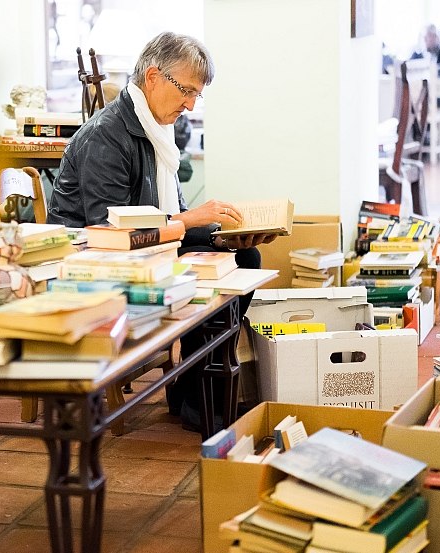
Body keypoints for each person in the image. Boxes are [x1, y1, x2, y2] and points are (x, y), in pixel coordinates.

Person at [46, 32, 276, 431]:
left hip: (146, 247)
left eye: (196, 95)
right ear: (153, 77)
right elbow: (110, 234)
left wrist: (226, 235)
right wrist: (189, 222)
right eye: (186, 90)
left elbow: (173, 214)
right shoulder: (107, 135)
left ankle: (193, 391)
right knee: (207, 269)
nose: (190, 104)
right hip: (89, 259)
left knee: (244, 256)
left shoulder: (155, 129)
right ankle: (198, 398)